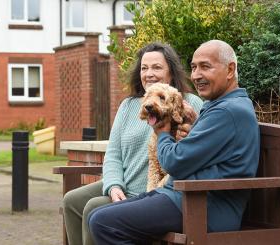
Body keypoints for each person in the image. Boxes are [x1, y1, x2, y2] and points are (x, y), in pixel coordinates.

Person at [88, 40, 260, 244]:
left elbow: (173, 162)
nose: (196, 74)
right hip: (183, 196)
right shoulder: (221, 107)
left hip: (203, 205)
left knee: (103, 221)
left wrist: (162, 133)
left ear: (230, 70)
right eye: (194, 67)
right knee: (98, 215)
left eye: (205, 67)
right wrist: (194, 129)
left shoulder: (226, 111)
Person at [62, 42, 203, 245]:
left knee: (93, 207)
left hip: (150, 193)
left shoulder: (187, 104)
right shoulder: (129, 106)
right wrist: (113, 185)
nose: (149, 74)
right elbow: (113, 154)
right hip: (125, 184)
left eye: (156, 67)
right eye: (144, 68)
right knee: (72, 200)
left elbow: (195, 150)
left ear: (171, 72)